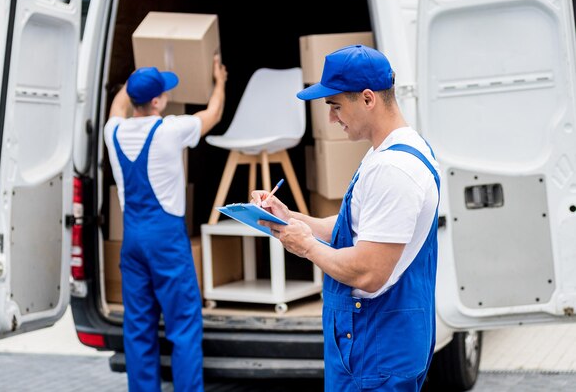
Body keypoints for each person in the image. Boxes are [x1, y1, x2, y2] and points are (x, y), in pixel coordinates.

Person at [254, 45, 440, 391]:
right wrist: (288, 216)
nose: (331, 118)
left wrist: (306, 246)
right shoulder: (395, 151)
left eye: (335, 106)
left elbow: (368, 271)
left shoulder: (393, 170)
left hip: (374, 346)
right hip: (381, 341)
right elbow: (349, 231)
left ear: (368, 99)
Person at [104, 54, 228, 392]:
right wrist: (220, 81)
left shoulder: (112, 132)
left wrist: (131, 85)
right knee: (183, 326)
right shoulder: (171, 129)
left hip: (133, 243)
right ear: (158, 101)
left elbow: (118, 106)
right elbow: (213, 114)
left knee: (138, 327)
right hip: (166, 244)